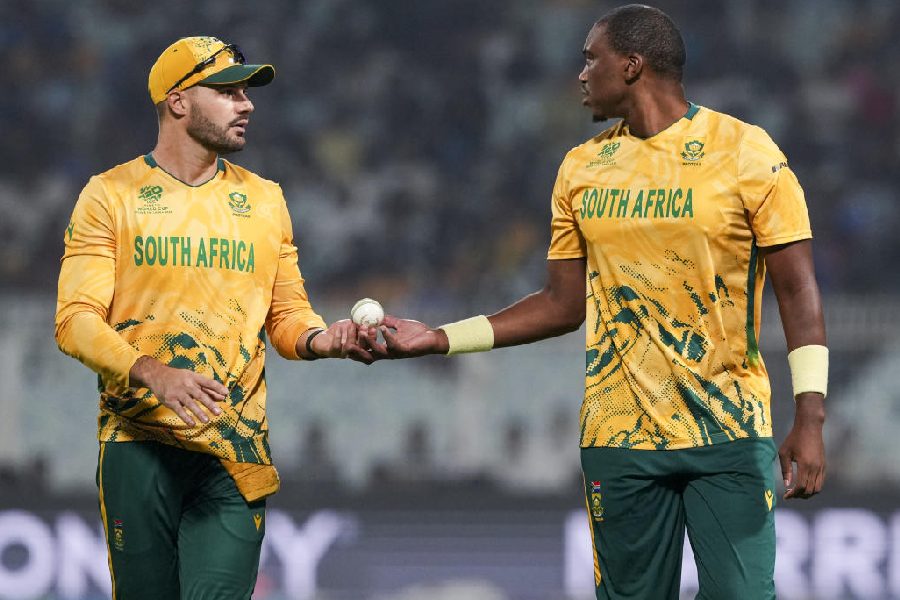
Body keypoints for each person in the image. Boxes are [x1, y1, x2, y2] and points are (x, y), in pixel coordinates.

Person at [369, 5, 827, 598]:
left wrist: (810, 417)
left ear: (632, 65)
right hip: (618, 438)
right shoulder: (581, 169)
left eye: (592, 58)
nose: (581, 73)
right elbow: (562, 303)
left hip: (728, 429)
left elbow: (798, 287)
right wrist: (441, 337)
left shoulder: (746, 153)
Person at [55, 36, 374, 599]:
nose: (246, 104)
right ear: (178, 102)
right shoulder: (111, 196)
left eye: (246, 93)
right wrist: (154, 372)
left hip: (234, 450)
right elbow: (75, 321)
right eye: (227, 91)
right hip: (138, 445)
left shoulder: (266, 200)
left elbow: (288, 318)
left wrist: (328, 339)